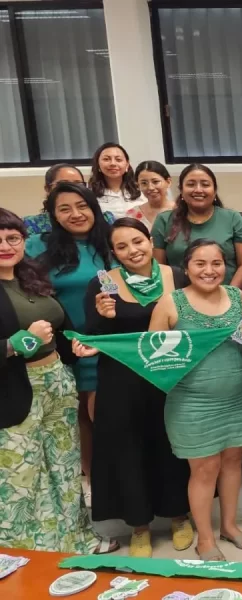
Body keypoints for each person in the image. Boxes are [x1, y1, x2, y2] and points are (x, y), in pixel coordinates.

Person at [0, 208, 117, 554]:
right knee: (21, 475)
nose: (5, 246)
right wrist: (17, 343)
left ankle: (73, 540)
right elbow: (27, 338)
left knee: (64, 468)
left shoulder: (30, 276)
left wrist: (75, 344)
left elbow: (57, 326)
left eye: (12, 238)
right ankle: (25, 552)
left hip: (57, 381)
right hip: (14, 390)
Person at [76, 218, 192, 558]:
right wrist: (101, 316)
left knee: (171, 447)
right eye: (122, 246)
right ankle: (138, 526)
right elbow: (92, 337)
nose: (132, 250)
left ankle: (179, 517)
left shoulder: (178, 276)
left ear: (149, 240)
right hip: (121, 381)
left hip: (169, 378)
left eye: (137, 241)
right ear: (113, 253)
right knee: (128, 451)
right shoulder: (101, 284)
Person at [149, 239, 242, 561]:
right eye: (200, 264)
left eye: (216, 263)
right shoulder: (170, 303)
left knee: (233, 462)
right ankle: (206, 538)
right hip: (191, 404)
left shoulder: (239, 296)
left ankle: (229, 526)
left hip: (238, 396)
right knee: (205, 469)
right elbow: (153, 356)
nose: (209, 271)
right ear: (187, 267)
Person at [25, 182, 116, 506]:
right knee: (80, 415)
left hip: (112, 344)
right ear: (52, 214)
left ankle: (118, 479)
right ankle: (91, 479)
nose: (75, 214)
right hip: (67, 345)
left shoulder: (111, 241)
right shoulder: (38, 246)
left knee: (107, 415)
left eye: (82, 205)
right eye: (64, 208)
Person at [152, 164, 242, 288]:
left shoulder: (232, 218)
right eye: (191, 184)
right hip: (179, 297)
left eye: (205, 184)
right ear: (181, 190)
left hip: (227, 296)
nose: (198, 189)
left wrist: (231, 294)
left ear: (214, 191)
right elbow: (158, 267)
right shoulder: (164, 220)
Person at [23, 164, 116, 236]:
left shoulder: (106, 219)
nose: (71, 189)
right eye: (63, 184)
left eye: (78, 184)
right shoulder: (31, 224)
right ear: (47, 189)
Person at [88, 142, 145, 219]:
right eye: (106, 159)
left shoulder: (141, 191)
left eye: (118, 159)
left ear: (127, 164)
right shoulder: (89, 194)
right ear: (98, 164)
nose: (113, 163)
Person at [127, 161, 176, 231]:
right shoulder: (132, 215)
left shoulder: (182, 210)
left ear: (168, 182)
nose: (150, 187)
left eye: (155, 182)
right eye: (144, 183)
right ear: (137, 186)